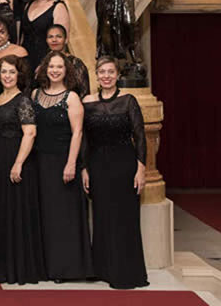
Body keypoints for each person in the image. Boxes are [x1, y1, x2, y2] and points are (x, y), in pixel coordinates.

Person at [82, 56, 149, 289]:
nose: (106, 76)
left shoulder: (128, 100)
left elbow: (140, 137)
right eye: (102, 72)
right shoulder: (87, 101)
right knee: (102, 216)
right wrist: (84, 168)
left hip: (125, 164)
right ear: (97, 75)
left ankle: (127, 271)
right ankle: (103, 268)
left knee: (125, 217)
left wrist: (141, 170)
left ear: (117, 75)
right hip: (98, 164)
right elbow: (84, 139)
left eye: (110, 72)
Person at [32, 51, 93, 282]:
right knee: (44, 215)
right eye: (51, 66)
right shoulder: (35, 94)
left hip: (63, 162)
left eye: (59, 67)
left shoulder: (72, 97)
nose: (55, 70)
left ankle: (64, 268)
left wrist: (71, 163)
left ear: (66, 71)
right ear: (45, 69)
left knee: (62, 217)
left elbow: (78, 132)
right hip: (39, 162)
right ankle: (45, 266)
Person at [0, 54, 45, 284]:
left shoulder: (23, 100)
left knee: (16, 212)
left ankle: (17, 267)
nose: (8, 76)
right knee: (2, 210)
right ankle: (1, 264)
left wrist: (18, 163)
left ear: (19, 75)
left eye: (12, 72)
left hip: (16, 159)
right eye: (4, 72)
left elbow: (30, 133)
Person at [21, 0, 70, 72]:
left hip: (46, 62)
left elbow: (61, 42)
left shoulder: (58, 7)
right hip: (25, 61)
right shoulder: (28, 5)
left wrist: (46, 64)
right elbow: (23, 36)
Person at [45, 24, 90, 96]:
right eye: (50, 37)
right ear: (47, 40)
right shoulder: (45, 62)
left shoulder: (76, 63)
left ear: (66, 40)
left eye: (58, 37)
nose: (54, 40)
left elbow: (84, 92)